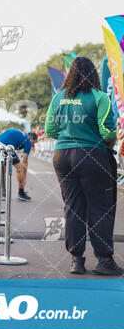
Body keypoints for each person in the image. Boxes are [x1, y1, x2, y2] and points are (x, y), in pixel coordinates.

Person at [45, 56, 122, 276]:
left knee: (73, 208)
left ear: (69, 74)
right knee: (100, 208)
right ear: (94, 74)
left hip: (61, 156)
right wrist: (110, 141)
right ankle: (104, 260)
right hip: (91, 156)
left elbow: (50, 130)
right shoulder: (100, 97)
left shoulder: (59, 97)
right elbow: (107, 132)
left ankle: (76, 260)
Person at [0, 128, 38, 201]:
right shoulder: (27, 141)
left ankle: (3, 194)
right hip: (6, 147)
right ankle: (21, 192)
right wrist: (23, 180)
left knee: (2, 170)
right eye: (33, 143)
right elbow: (25, 161)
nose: (32, 146)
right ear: (31, 138)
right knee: (20, 168)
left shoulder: (21, 134)